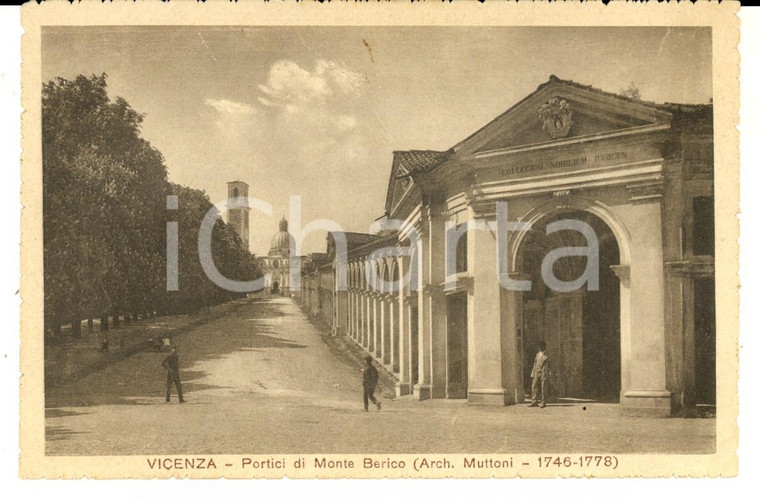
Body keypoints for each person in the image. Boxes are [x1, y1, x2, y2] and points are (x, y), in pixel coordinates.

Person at [528, 341, 551, 408]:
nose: (540, 347)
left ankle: (543, 402)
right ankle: (534, 401)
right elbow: (534, 364)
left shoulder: (547, 355)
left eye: (542, 346)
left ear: (544, 347)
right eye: (539, 346)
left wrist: (548, 373)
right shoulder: (538, 354)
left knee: (543, 387)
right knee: (534, 386)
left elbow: (548, 365)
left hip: (543, 372)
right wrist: (533, 372)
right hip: (536, 372)